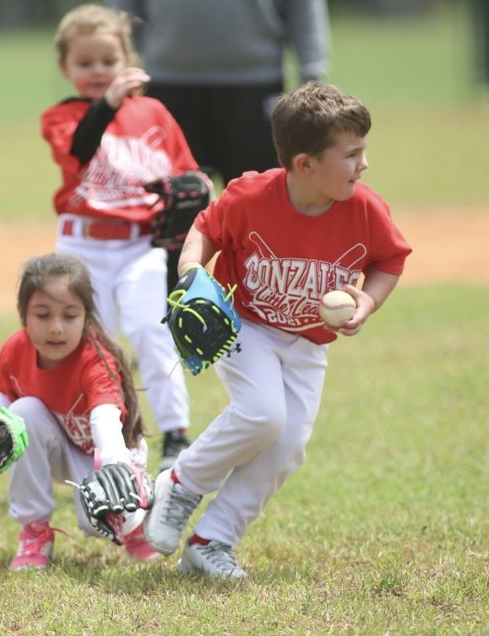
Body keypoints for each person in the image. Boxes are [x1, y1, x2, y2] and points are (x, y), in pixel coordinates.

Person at [143, 81, 412, 580]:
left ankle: (211, 541)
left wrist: (369, 301)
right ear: (305, 164)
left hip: (308, 342)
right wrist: (191, 274)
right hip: (246, 326)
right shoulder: (251, 195)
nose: (364, 164)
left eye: (364, 151)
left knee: (288, 446)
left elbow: (389, 260)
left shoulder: (365, 209)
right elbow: (205, 228)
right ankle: (180, 483)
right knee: (263, 414)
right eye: (351, 154)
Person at [42, 3, 204, 472]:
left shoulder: (153, 112)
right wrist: (109, 102)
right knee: (94, 342)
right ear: (65, 68)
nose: (98, 71)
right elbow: (79, 149)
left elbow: (188, 173)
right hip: (82, 247)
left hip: (141, 246)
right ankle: (109, 439)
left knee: (152, 335)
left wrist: (198, 189)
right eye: (85, 62)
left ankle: (176, 435)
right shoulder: (62, 116)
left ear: (128, 59)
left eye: (108, 61)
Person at [108, 0, 332, 295]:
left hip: (254, 83)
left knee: (261, 205)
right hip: (167, 82)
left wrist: (311, 70)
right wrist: (118, 63)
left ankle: (263, 308)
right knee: (176, 205)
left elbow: (303, 7)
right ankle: (175, 311)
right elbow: (124, 7)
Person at [0, 252, 158, 569]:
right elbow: (4, 402)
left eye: (69, 316)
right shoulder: (14, 349)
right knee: (21, 413)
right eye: (42, 315)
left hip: (106, 452)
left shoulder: (94, 357)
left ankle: (137, 524)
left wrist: (114, 466)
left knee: (96, 523)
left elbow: (105, 418)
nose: (56, 328)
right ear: (22, 313)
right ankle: (34, 532)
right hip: (60, 448)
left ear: (86, 315)